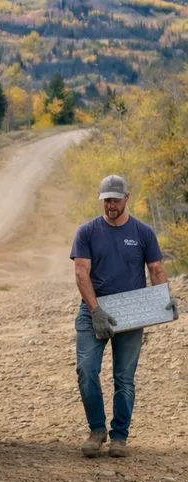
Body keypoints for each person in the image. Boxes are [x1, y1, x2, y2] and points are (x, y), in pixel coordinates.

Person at [71, 174, 178, 458]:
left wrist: (164, 301)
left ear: (126, 199)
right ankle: (96, 430)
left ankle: (119, 436)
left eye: (115, 200)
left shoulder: (143, 232)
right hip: (93, 310)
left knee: (124, 378)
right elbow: (81, 272)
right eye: (106, 200)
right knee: (86, 370)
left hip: (132, 311)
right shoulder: (87, 232)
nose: (110, 206)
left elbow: (155, 269)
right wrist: (95, 311)